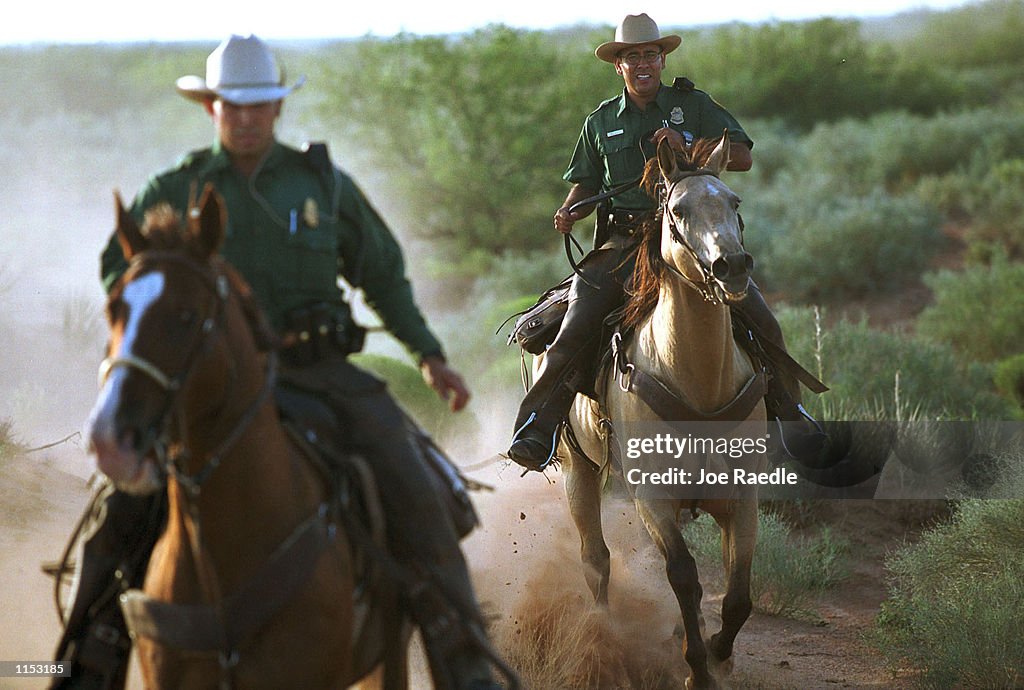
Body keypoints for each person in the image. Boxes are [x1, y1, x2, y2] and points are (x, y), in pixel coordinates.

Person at [53, 34, 511, 690]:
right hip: (206, 385)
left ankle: (462, 654)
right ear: (210, 107)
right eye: (231, 106)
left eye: (258, 105)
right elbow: (122, 274)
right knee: (116, 519)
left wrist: (430, 355)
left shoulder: (321, 183)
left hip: (318, 374)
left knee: (414, 483)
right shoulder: (177, 186)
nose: (244, 118)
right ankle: (86, 659)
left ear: (277, 107)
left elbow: (382, 273)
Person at [507, 13, 822, 472]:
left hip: (689, 239)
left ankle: (790, 419)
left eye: (650, 54)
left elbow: (744, 157)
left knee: (761, 319)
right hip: (624, 244)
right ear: (618, 65)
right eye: (631, 56)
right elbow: (585, 183)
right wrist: (571, 208)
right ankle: (537, 426)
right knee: (575, 325)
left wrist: (687, 139)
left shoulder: (693, 106)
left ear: (662, 58)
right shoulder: (600, 122)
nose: (642, 64)